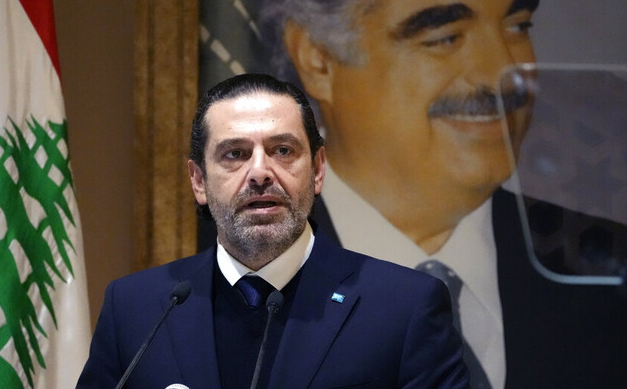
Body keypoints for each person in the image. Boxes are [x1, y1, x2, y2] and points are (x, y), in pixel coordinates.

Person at [254, 0, 627, 388]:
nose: (502, 74)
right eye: (445, 37)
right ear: (318, 59)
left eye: (518, 26)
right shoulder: (217, 273)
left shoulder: (608, 268)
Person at [76, 74, 469, 388]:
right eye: (235, 154)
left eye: (283, 150)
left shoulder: (404, 307)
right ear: (198, 181)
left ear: (318, 169)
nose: (260, 172)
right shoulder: (136, 309)